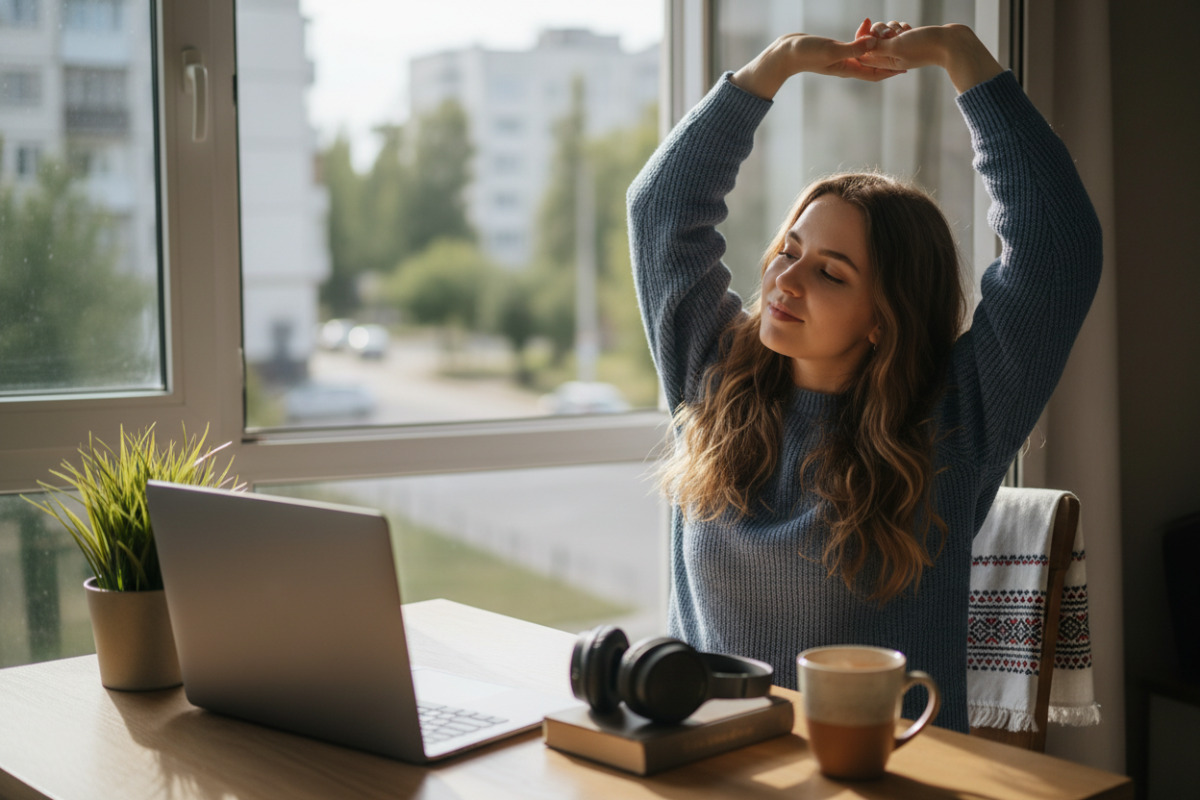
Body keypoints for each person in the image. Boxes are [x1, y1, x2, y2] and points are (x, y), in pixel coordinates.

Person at [627, 19, 1102, 733]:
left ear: (884, 317)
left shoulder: (953, 421)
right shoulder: (714, 378)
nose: (785, 279)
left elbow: (1057, 245)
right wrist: (772, 69)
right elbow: (661, 212)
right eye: (790, 248)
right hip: (716, 769)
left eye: (830, 272)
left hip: (889, 776)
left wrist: (962, 58)